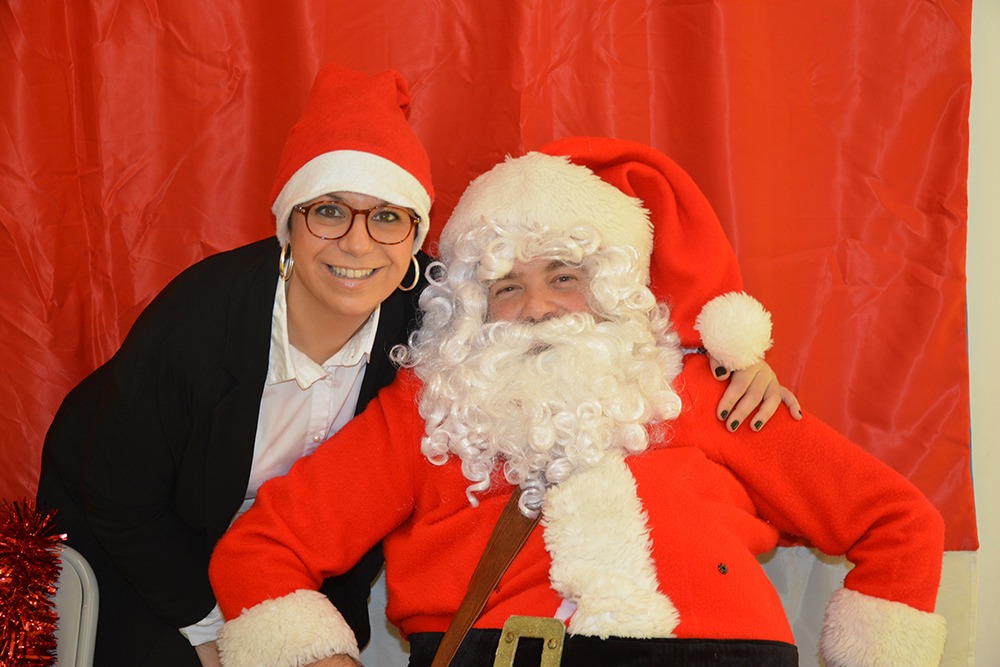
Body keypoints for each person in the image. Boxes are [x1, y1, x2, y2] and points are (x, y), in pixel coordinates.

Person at [34, 64, 792, 667]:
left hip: (300, 557)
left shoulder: (436, 307)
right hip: (141, 544)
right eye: (330, 209)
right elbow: (119, 495)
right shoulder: (202, 318)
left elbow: (582, 316)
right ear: (290, 224)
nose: (357, 243)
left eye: (388, 218)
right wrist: (211, 632)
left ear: (415, 237)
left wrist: (732, 359)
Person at [208, 138, 947, 667]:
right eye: (507, 286)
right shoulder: (432, 409)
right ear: (471, 309)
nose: (537, 307)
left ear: (613, 286)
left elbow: (898, 522)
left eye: (563, 276)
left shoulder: (704, 391)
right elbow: (261, 552)